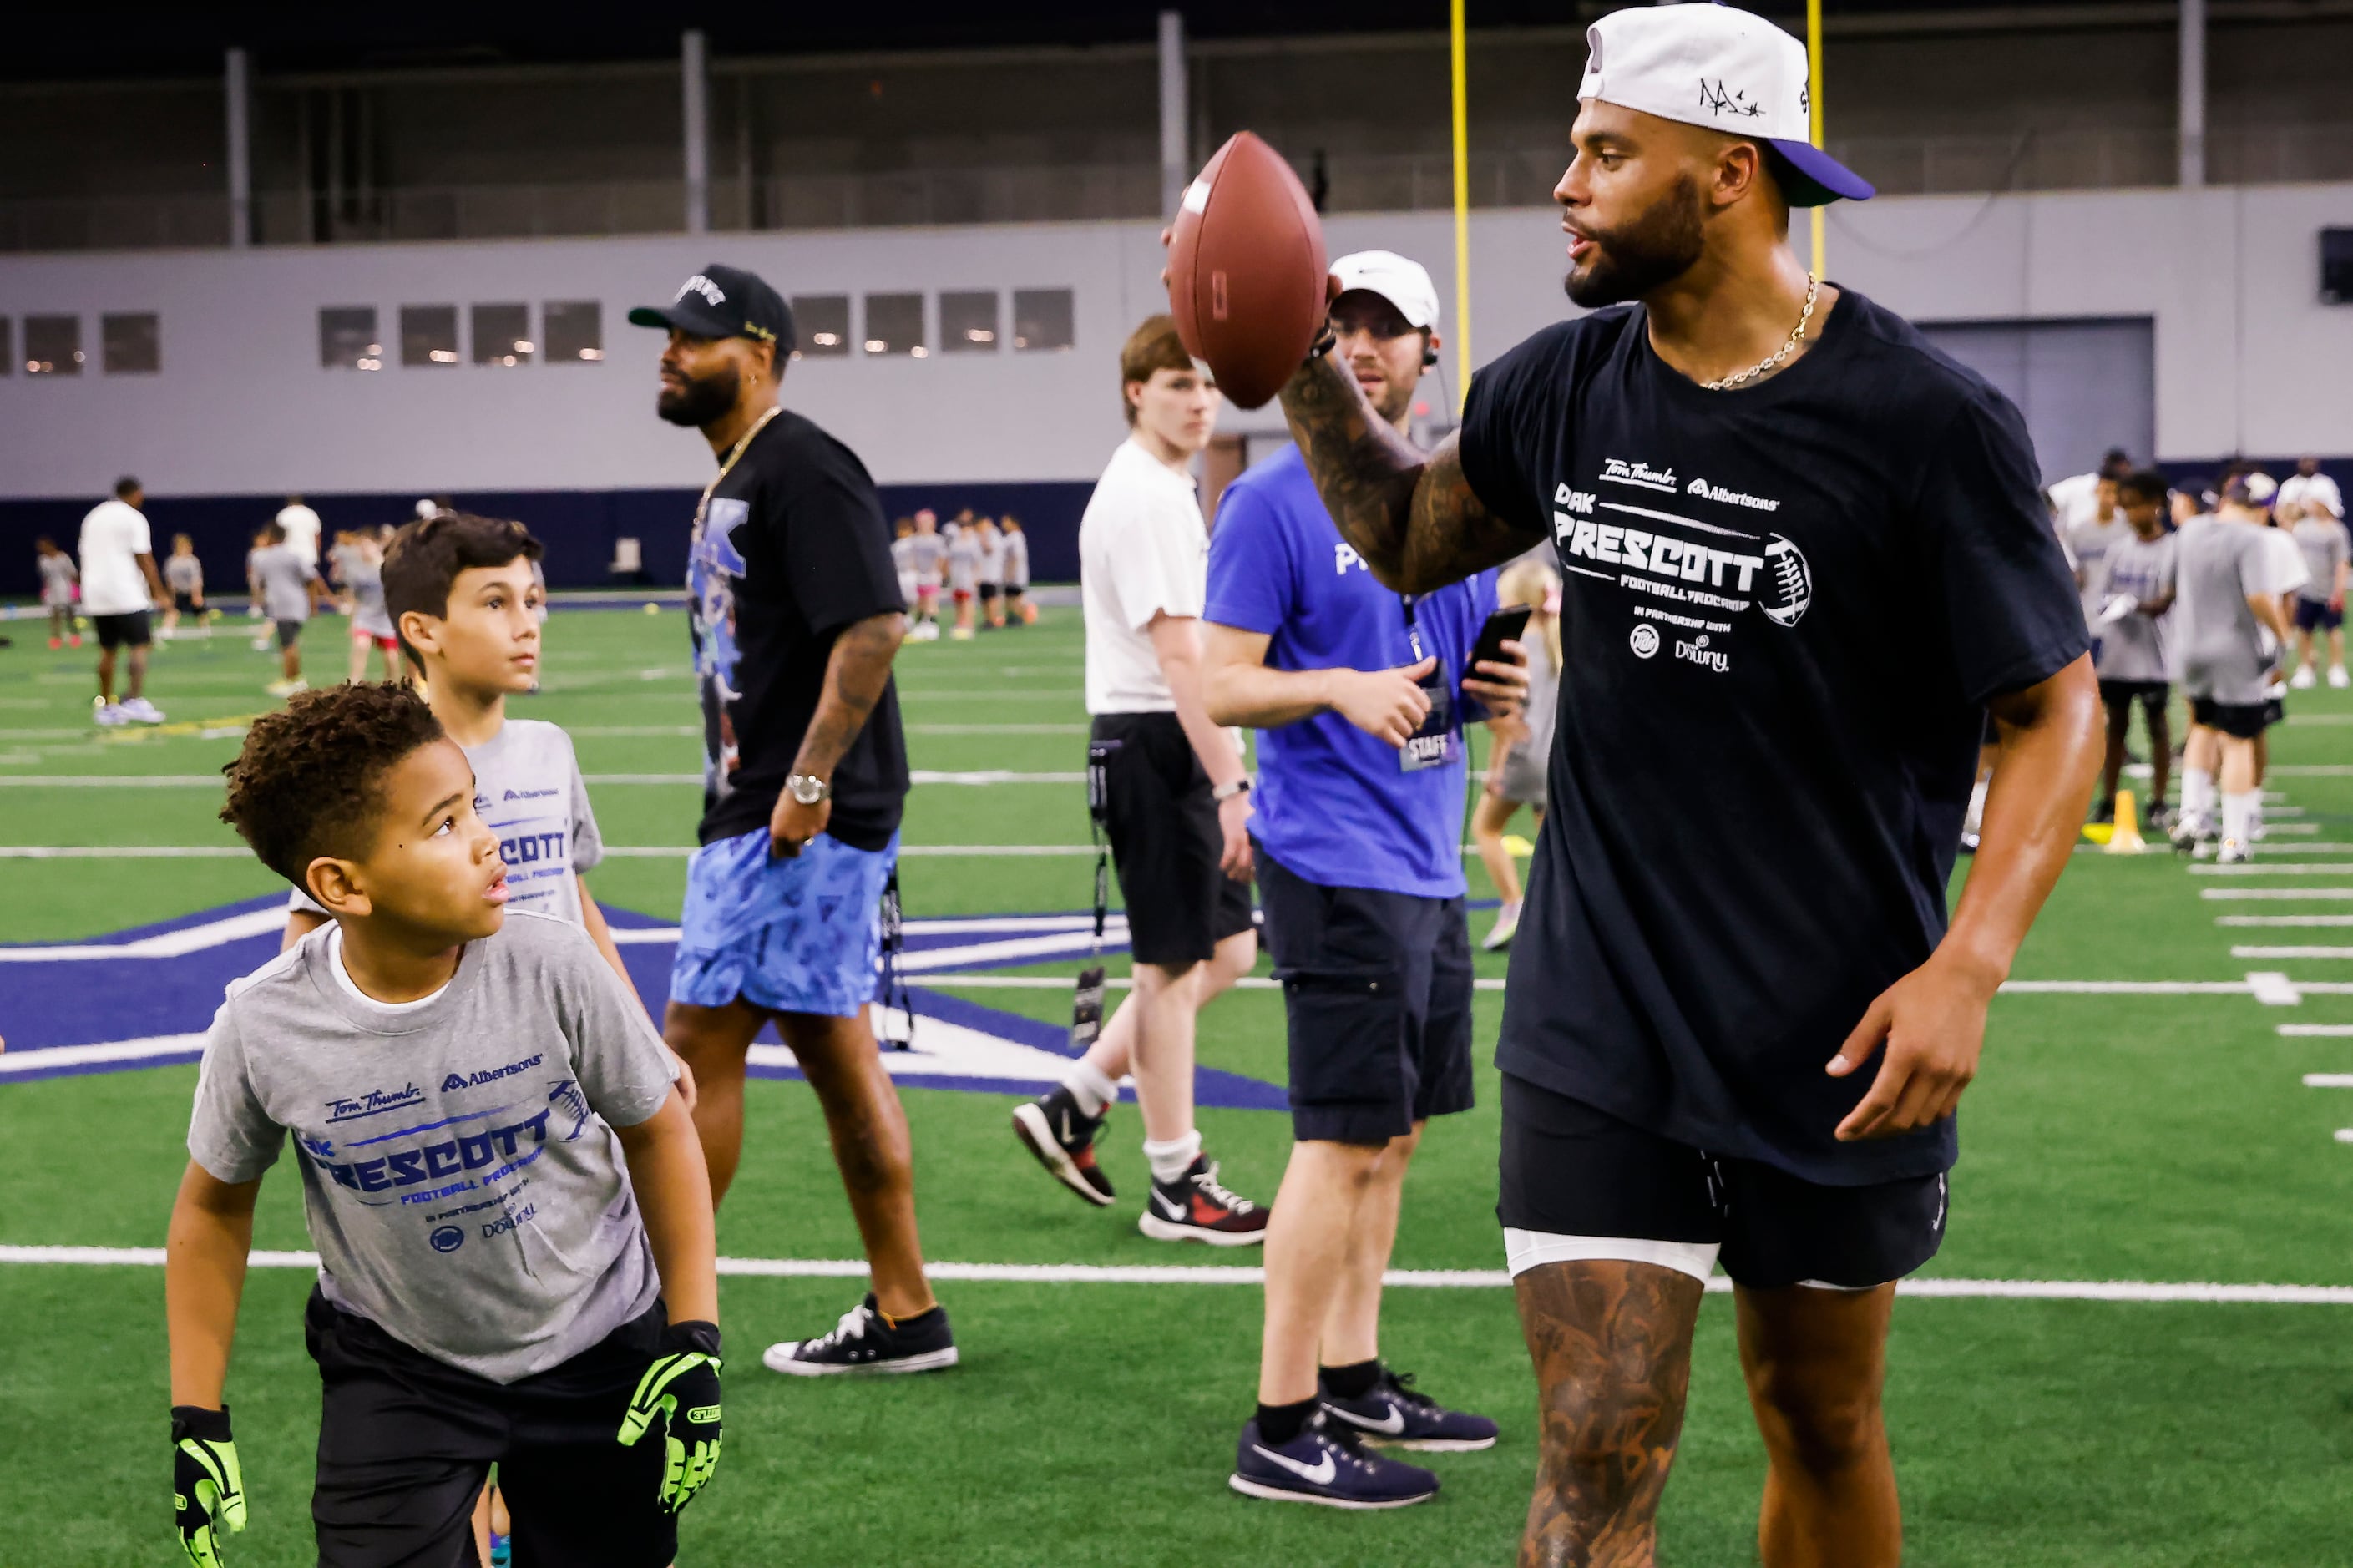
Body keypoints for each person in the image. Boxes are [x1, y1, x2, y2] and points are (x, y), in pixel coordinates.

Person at [1264, 6, 2100, 1559]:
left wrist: (1967, 965)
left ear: (1725, 171)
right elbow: (1406, 534)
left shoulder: (1924, 422)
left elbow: (2053, 707)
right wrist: (1303, 367)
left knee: (1818, 1415)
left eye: (1602, 152)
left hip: (1835, 1034)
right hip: (1600, 1024)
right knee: (1589, 1444)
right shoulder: (1564, 383)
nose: (1562, 187)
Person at [172, 683, 721, 1568]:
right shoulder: (261, 1025)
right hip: (400, 1367)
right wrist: (196, 1414)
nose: (485, 840)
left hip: (598, 1345)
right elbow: (212, 1207)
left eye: (474, 807)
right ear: (341, 884)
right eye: (443, 825)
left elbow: (658, 1130)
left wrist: (693, 1335)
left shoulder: (553, 962)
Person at [279, 511, 688, 1565]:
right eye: (496, 603)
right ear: (419, 628)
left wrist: (642, 1033)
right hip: (447, 1108)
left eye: (535, 602)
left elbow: (577, 902)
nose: (527, 626)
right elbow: (314, 938)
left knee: (578, 1322)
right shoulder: (388, 766)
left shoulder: (548, 749)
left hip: (560, 1088)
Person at [1204, 250, 1521, 1509]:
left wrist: (1478, 694)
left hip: (1424, 863)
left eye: (1385, 330)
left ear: (1428, 352)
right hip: (1330, 860)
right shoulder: (1272, 505)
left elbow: (1433, 695)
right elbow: (1222, 680)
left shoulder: (1453, 506)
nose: (1360, 350)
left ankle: (1352, 1374)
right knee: (1336, 1141)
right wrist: (1334, 685)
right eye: (1339, 331)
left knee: (1390, 1137)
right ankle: (1281, 1423)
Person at [634, 263, 955, 1375]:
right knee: (832, 1047)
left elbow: (871, 624)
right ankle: (907, 1310)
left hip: (790, 813)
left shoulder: (802, 464)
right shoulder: (741, 469)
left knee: (694, 1045)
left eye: (694, 337)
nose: (670, 353)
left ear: (759, 350)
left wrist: (809, 781)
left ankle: (649, 1317)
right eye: (666, 336)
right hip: (777, 801)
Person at [1010, 314, 1269, 1244]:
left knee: (1226, 951)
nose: (1201, 402)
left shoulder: (1161, 487)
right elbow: (1180, 662)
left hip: (1160, 742)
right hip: (1157, 743)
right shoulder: (1148, 498)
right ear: (1136, 392)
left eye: (1206, 386)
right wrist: (1233, 785)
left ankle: (1078, 1096)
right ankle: (1176, 1182)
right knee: (1168, 969)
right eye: (1179, 385)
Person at [2171, 480, 2300, 864]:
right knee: (2240, 740)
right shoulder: (2251, 538)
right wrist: (2282, 636)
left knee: (2202, 728)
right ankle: (2234, 839)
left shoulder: (2190, 531)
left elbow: (2170, 584)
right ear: (2260, 510)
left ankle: (2191, 815)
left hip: (2191, 647)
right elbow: (2258, 596)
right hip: (2234, 651)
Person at [1472, 555, 1561, 950]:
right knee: (1553, 850)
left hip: (1523, 756)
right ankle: (1556, 919)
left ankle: (1513, 906)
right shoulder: (1561, 638)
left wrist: (1494, 769)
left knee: (1486, 829)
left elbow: (1506, 714)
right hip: (1555, 760)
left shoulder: (1514, 645)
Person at [2091, 471, 2178, 827]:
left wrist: (2134, 605)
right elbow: (2102, 596)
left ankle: (2158, 801)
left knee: (2157, 725)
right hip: (2117, 656)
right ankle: (2108, 799)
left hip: (2154, 655)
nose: (2128, 514)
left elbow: (2167, 600)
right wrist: (2114, 604)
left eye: (2135, 506)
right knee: (2115, 729)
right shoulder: (2118, 549)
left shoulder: (2172, 549)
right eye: (2125, 507)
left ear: (2156, 505)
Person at [78, 475, 169, 726]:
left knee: (108, 649)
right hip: (125, 592)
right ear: (137, 493)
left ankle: (106, 705)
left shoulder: (94, 516)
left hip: (96, 592)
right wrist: (159, 592)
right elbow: (144, 558)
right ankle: (134, 700)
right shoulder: (133, 518)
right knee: (139, 646)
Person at [251, 521, 328, 698]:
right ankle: (291, 678)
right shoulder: (294, 556)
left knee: (288, 645)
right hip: (297, 603)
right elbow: (310, 578)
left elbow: (259, 584)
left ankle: (293, 680)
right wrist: (312, 604)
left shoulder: (263, 557)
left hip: (283, 606)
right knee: (288, 643)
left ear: (270, 536)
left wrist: (260, 601)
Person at [2285, 486, 2350, 690]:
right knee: (2304, 630)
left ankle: (2336, 668)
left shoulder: (2337, 531)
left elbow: (2342, 563)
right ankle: (2306, 667)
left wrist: (2338, 590)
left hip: (2328, 590)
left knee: (2333, 630)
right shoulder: (2301, 528)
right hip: (2305, 590)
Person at [2064, 468, 2131, 652]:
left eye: (2113, 492)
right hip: (2086, 616)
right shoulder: (2078, 532)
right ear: (2096, 492)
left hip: (2115, 618)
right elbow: (2073, 571)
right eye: (2104, 491)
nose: (2107, 498)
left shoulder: (2127, 530)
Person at [340, 530, 401, 683]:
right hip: (365, 616)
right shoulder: (357, 572)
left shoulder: (387, 567)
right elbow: (355, 598)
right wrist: (352, 621)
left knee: (391, 657)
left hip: (386, 618)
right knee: (361, 645)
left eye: (367, 546)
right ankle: (354, 683)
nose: (364, 550)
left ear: (376, 546)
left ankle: (392, 685)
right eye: (361, 547)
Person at [35, 537, 78, 650]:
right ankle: (56, 638)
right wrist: (44, 591)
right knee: (54, 614)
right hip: (52, 590)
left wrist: (78, 588)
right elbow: (45, 577)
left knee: (70, 613)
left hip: (65, 588)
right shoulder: (43, 560)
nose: (41, 549)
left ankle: (75, 635)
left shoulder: (63, 558)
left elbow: (72, 573)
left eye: (43, 546)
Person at [907, 509, 944, 640]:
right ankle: (921, 623)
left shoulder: (937, 540)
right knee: (920, 600)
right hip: (918, 574)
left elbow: (941, 558)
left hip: (932, 574)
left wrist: (937, 572)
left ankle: (931, 624)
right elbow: (912, 557)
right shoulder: (914, 539)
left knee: (931, 598)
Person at [944, 511, 981, 640]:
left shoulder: (973, 542)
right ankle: (959, 623)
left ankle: (969, 624)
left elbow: (977, 561)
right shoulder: (956, 542)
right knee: (958, 599)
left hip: (968, 574)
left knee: (967, 600)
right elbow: (950, 559)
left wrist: (977, 576)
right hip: (957, 574)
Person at [161, 534, 205, 639]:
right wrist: (171, 594)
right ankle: (167, 629)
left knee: (200, 611)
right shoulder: (171, 562)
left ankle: (205, 630)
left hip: (191, 591)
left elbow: (196, 579)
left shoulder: (192, 561)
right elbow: (169, 580)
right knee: (173, 611)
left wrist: (197, 595)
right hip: (178, 592)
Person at [1002, 514, 1037, 625]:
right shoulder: (1008, 537)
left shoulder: (1017, 537)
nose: (1003, 524)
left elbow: (1016, 556)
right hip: (1008, 573)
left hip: (1016, 574)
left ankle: (1019, 617)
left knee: (1016, 597)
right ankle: (1011, 617)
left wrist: (1011, 571)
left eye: (1006, 521)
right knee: (1009, 597)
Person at [275, 493, 323, 568]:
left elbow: (277, 538)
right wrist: (318, 556)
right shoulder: (311, 514)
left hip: (288, 556)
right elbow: (317, 538)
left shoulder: (282, 515)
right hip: (308, 556)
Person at [977, 517, 1007, 630]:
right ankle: (987, 620)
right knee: (984, 599)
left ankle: (993, 619)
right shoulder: (978, 535)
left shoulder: (994, 535)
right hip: (983, 574)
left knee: (992, 598)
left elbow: (989, 549)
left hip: (992, 574)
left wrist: (983, 538)